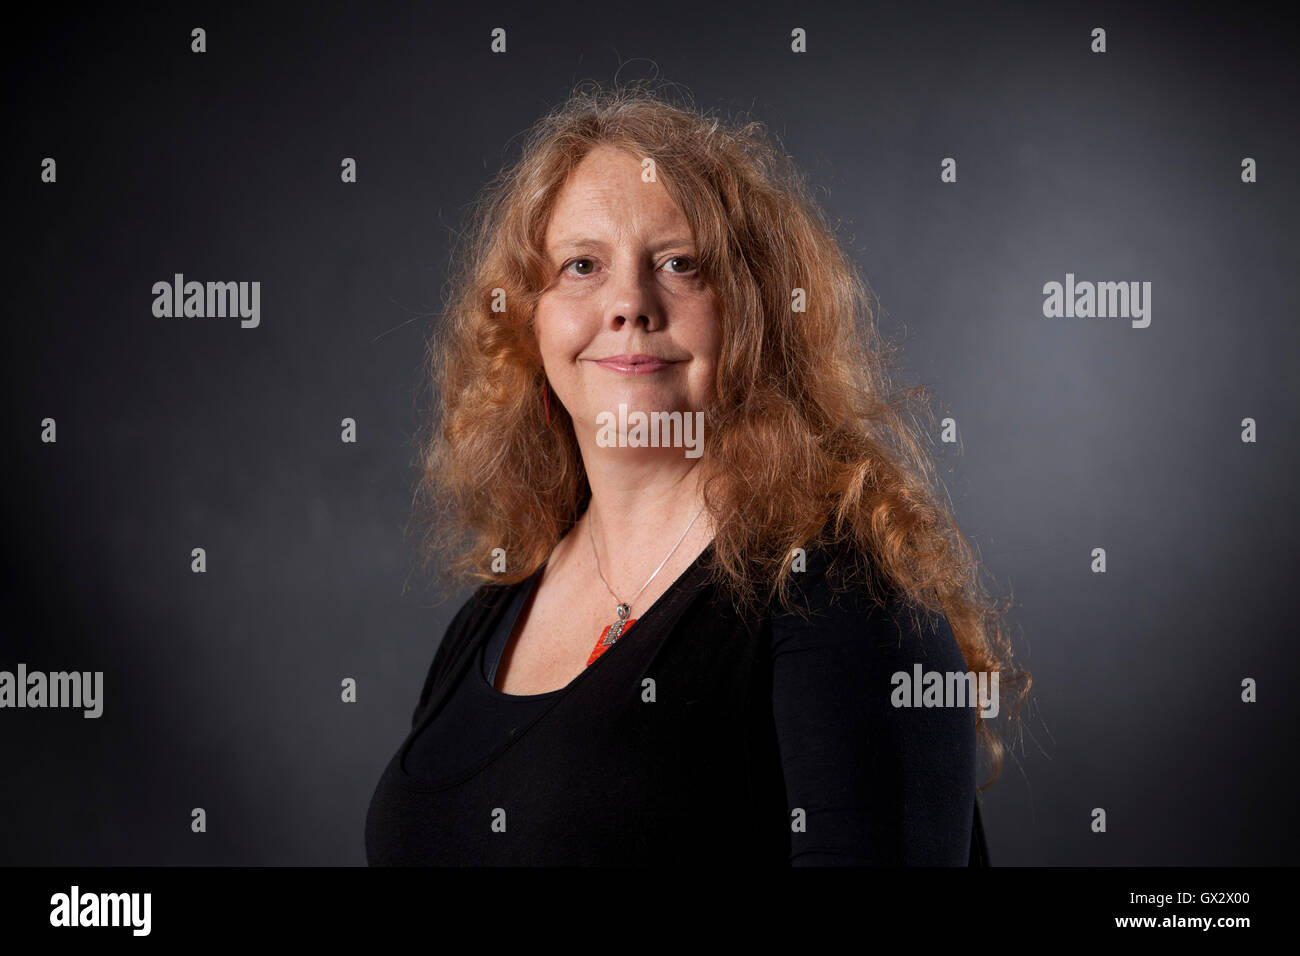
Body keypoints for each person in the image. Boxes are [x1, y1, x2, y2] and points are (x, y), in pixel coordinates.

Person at [365, 81, 1029, 866]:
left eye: (680, 264)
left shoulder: (841, 597)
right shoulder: (494, 613)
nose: (629, 305)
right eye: (581, 266)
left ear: (752, 311)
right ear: (528, 320)